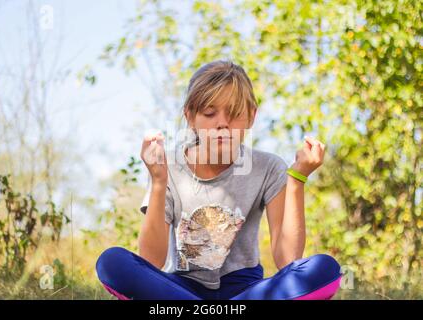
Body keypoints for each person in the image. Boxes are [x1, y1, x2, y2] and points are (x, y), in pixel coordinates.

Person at [96, 60, 342, 300]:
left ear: (251, 117)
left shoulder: (269, 167)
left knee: (324, 269)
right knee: (112, 262)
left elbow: (288, 260)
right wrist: (158, 182)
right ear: (191, 117)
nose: (222, 124)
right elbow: (151, 260)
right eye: (210, 113)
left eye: (234, 114)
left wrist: (297, 179)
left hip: (246, 290)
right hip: (180, 286)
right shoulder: (166, 166)